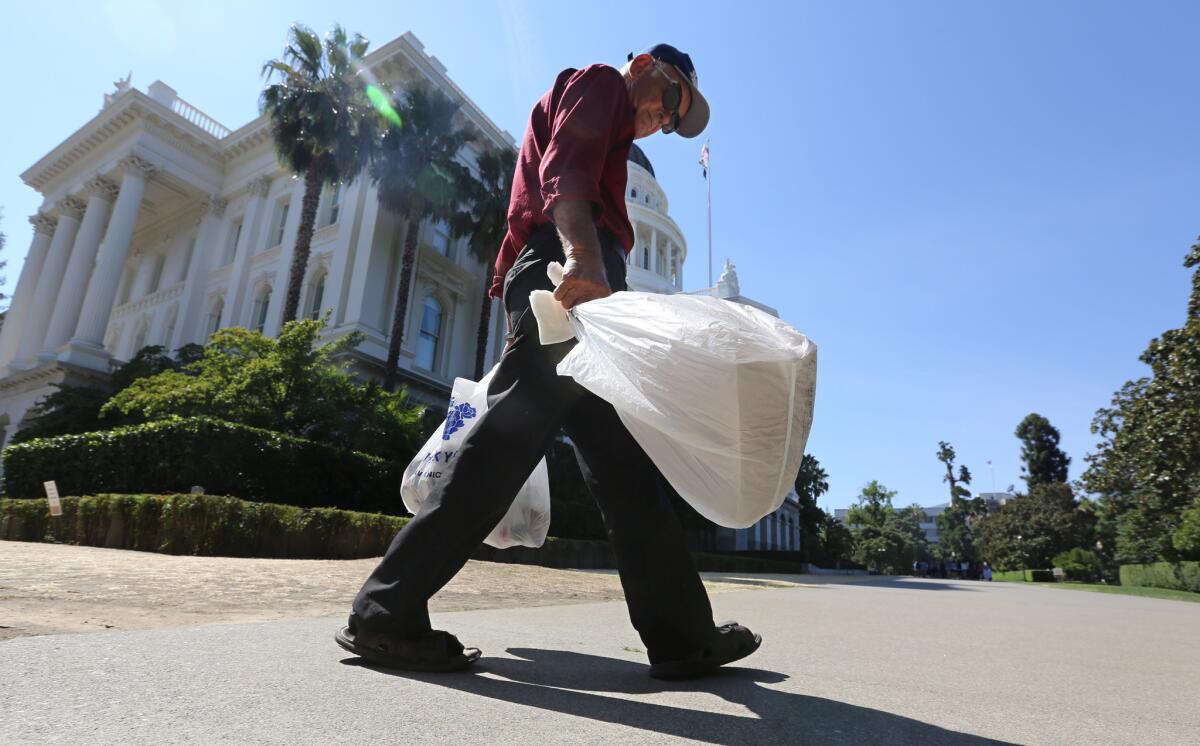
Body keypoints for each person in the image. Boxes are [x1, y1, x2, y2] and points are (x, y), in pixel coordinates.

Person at [336, 44, 760, 679]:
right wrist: (584, 259)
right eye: (671, 99)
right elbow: (567, 171)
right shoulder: (601, 85)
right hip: (567, 275)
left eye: (676, 120)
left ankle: (683, 636)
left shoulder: (618, 115)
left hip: (579, 278)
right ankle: (385, 610)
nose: (665, 120)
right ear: (645, 66)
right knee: (508, 438)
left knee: (624, 467)